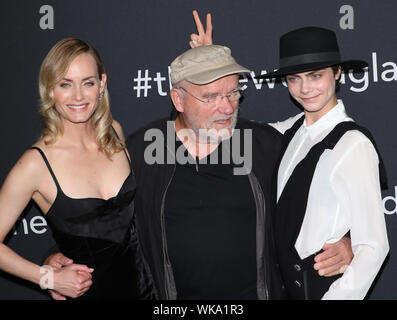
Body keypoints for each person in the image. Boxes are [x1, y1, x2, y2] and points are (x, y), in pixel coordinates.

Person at [0, 38, 153, 300]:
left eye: (88, 83)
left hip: (145, 292)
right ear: (50, 89)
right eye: (65, 84)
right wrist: (47, 278)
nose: (79, 96)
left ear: (101, 84)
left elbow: (112, 228)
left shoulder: (114, 133)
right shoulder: (35, 164)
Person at [256, 27, 389, 299]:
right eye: (294, 78)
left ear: (337, 73)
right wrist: (209, 63)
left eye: (315, 75)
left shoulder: (353, 144)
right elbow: (227, 132)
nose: (305, 89)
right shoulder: (290, 131)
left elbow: (373, 247)